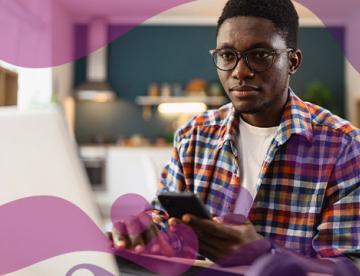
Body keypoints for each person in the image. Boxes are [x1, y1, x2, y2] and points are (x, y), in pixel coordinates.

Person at [113, 0, 360, 271]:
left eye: (260, 55)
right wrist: (147, 233)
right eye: (227, 55)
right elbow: (164, 220)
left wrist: (265, 254)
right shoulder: (193, 136)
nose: (240, 72)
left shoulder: (345, 148)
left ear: (292, 61)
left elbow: (349, 267)